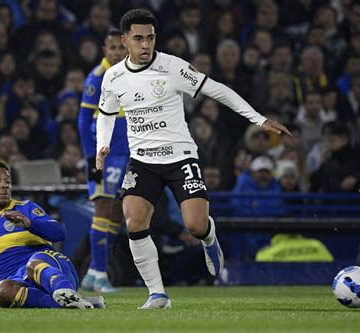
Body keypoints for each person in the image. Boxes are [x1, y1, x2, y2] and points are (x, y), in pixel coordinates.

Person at [95, 9, 291, 309]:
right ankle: (157, 294)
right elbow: (106, 115)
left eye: (150, 38)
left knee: (196, 226)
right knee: (134, 221)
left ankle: (210, 240)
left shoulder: (172, 67)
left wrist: (258, 119)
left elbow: (218, 91)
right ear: (124, 41)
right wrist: (102, 145)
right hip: (142, 161)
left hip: (180, 157)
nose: (145, 44)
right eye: (138, 39)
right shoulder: (114, 76)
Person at [0, 160, 105, 309]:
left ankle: (65, 290)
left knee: (33, 264)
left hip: (54, 270)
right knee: (1, 291)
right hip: (21, 283)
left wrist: (29, 224)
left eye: (8, 181)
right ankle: (78, 302)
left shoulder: (25, 208)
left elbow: (59, 233)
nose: (4, 185)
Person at [78, 29, 128, 293]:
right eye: (112, 48)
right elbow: (84, 121)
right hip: (105, 157)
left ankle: (95, 273)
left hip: (125, 155)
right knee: (103, 209)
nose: (117, 53)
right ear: (104, 49)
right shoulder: (97, 78)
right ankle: (98, 277)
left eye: (121, 48)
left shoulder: (130, 75)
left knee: (116, 213)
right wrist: (91, 157)